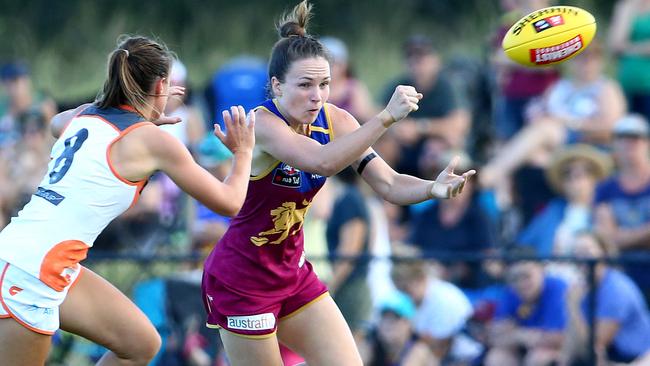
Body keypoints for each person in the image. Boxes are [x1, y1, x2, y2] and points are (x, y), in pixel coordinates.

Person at [200, 2, 476, 365]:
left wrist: (431, 188)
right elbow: (323, 161)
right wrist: (386, 117)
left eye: (325, 84)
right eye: (305, 85)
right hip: (243, 282)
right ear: (275, 86)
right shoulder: (263, 124)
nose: (317, 96)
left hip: (293, 274)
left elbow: (389, 184)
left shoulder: (336, 120)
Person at [0, 35, 255, 366]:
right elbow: (230, 202)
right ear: (162, 85)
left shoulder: (84, 117)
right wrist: (244, 151)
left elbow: (55, 123)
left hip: (28, 257)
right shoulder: (152, 140)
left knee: (141, 344)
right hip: (30, 273)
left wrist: (142, 115)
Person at [561, 231, 650, 366]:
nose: (581, 257)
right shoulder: (581, 288)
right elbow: (573, 342)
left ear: (604, 253)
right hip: (608, 358)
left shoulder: (616, 288)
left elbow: (594, 345)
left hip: (635, 358)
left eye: (586, 251)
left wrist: (573, 307)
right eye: (576, 252)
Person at [594, 114, 650, 303]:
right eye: (623, 138)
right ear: (614, 144)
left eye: (636, 138)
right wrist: (644, 234)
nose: (629, 144)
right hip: (621, 274)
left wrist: (620, 236)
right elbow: (606, 238)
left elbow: (612, 237)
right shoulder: (605, 188)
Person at [486, 248, 568, 366]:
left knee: (538, 358)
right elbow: (495, 335)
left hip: (561, 353)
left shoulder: (558, 289)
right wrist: (525, 336)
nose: (521, 284)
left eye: (526, 276)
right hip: (523, 348)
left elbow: (559, 338)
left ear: (541, 269)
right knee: (497, 357)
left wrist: (517, 333)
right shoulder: (511, 292)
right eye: (515, 279)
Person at [609, 0, 650, 121]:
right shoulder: (626, 6)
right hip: (627, 83)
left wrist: (628, 48)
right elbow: (615, 46)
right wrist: (642, 48)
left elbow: (621, 45)